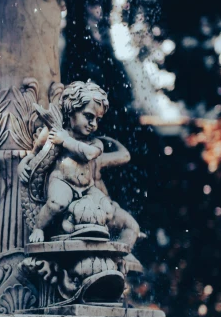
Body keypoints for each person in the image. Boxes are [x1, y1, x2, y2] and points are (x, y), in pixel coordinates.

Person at [18, 79, 140, 247]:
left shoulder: (94, 143)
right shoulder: (53, 133)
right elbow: (34, 153)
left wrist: (65, 140)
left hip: (87, 188)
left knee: (109, 212)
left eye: (98, 119)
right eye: (89, 117)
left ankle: (71, 219)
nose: (93, 124)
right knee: (56, 203)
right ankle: (39, 228)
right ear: (70, 111)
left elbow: (88, 154)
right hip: (62, 181)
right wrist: (23, 164)